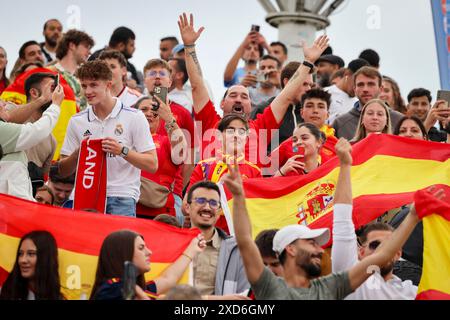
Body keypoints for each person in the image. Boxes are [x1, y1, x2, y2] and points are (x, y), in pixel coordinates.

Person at [223, 138, 428, 300]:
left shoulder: (329, 287)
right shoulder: (268, 286)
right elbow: (244, 240)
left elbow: (383, 255)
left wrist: (412, 216)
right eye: (312, 243)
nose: (320, 250)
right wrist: (240, 198)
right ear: (291, 249)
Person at [178, 13, 329, 166]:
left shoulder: (261, 126)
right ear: (222, 103)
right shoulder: (210, 121)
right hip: (211, 188)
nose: (238, 99)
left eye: (244, 96)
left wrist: (308, 62)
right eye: (233, 95)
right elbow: (197, 85)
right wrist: (189, 47)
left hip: (248, 189)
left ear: (251, 106)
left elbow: (285, 97)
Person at [330, 139, 436, 299]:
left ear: (397, 253)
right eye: (375, 245)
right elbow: (342, 217)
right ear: (361, 252)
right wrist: (345, 166)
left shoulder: (412, 293)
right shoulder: (348, 278)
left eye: (389, 246)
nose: (383, 252)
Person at [58, 60, 158, 217]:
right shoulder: (77, 121)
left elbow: (152, 164)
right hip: (86, 196)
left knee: (121, 243)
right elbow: (63, 171)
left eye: (93, 85)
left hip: (121, 196)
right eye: (84, 86)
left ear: (108, 85)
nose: (88, 91)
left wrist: (122, 150)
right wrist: (78, 153)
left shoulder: (134, 116)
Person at [186, 114, 261, 232]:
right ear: (219, 136)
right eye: (231, 131)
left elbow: (258, 207)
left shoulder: (255, 171)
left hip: (240, 235)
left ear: (246, 139)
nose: (236, 135)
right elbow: (186, 205)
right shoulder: (203, 166)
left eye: (241, 132)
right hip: (207, 234)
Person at [90, 229, 206, 300]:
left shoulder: (140, 289)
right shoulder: (112, 289)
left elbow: (168, 279)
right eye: (141, 248)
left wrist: (192, 249)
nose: (149, 252)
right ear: (124, 253)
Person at [142, 58, 195, 213]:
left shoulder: (183, 113)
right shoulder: (134, 110)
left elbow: (190, 158)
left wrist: (177, 188)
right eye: (152, 73)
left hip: (171, 193)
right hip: (137, 190)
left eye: (162, 73)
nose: (157, 77)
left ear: (170, 81)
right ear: (145, 81)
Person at [184, 181, 250, 298]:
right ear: (187, 207)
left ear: (219, 211)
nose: (207, 207)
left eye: (213, 203)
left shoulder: (236, 250)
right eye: (201, 201)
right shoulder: (171, 245)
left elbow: (243, 295)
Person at [0, 84, 64, 201]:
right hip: (9, 207)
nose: (4, 104)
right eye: (0, 101)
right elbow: (36, 132)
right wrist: (55, 105)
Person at [134, 95, 187, 222]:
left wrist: (169, 118)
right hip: (129, 209)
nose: (149, 113)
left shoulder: (165, 141)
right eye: (144, 109)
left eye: (154, 111)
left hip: (161, 214)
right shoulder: (126, 141)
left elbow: (181, 154)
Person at [269, 89, 337, 176]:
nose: (315, 111)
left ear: (327, 114)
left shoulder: (336, 146)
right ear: (301, 112)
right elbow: (265, 175)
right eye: (309, 106)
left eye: (321, 106)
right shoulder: (287, 144)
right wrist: (281, 171)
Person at [332, 66, 403, 140]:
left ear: (380, 89)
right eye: (360, 85)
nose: (365, 89)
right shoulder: (340, 123)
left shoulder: (399, 120)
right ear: (355, 89)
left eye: (371, 84)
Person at [0, 231, 63, 300]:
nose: (22, 260)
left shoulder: (57, 297)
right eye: (20, 254)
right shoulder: (6, 293)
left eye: (31, 254)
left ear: (45, 258)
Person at [50, 29, 95, 110]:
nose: (90, 52)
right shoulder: (50, 72)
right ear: (72, 46)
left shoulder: (86, 78)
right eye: (86, 47)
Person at [90, 27, 143, 92]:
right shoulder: (96, 58)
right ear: (121, 45)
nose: (134, 48)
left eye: (113, 66)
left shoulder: (130, 66)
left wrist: (135, 87)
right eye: (131, 45)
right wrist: (125, 85)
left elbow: (139, 88)